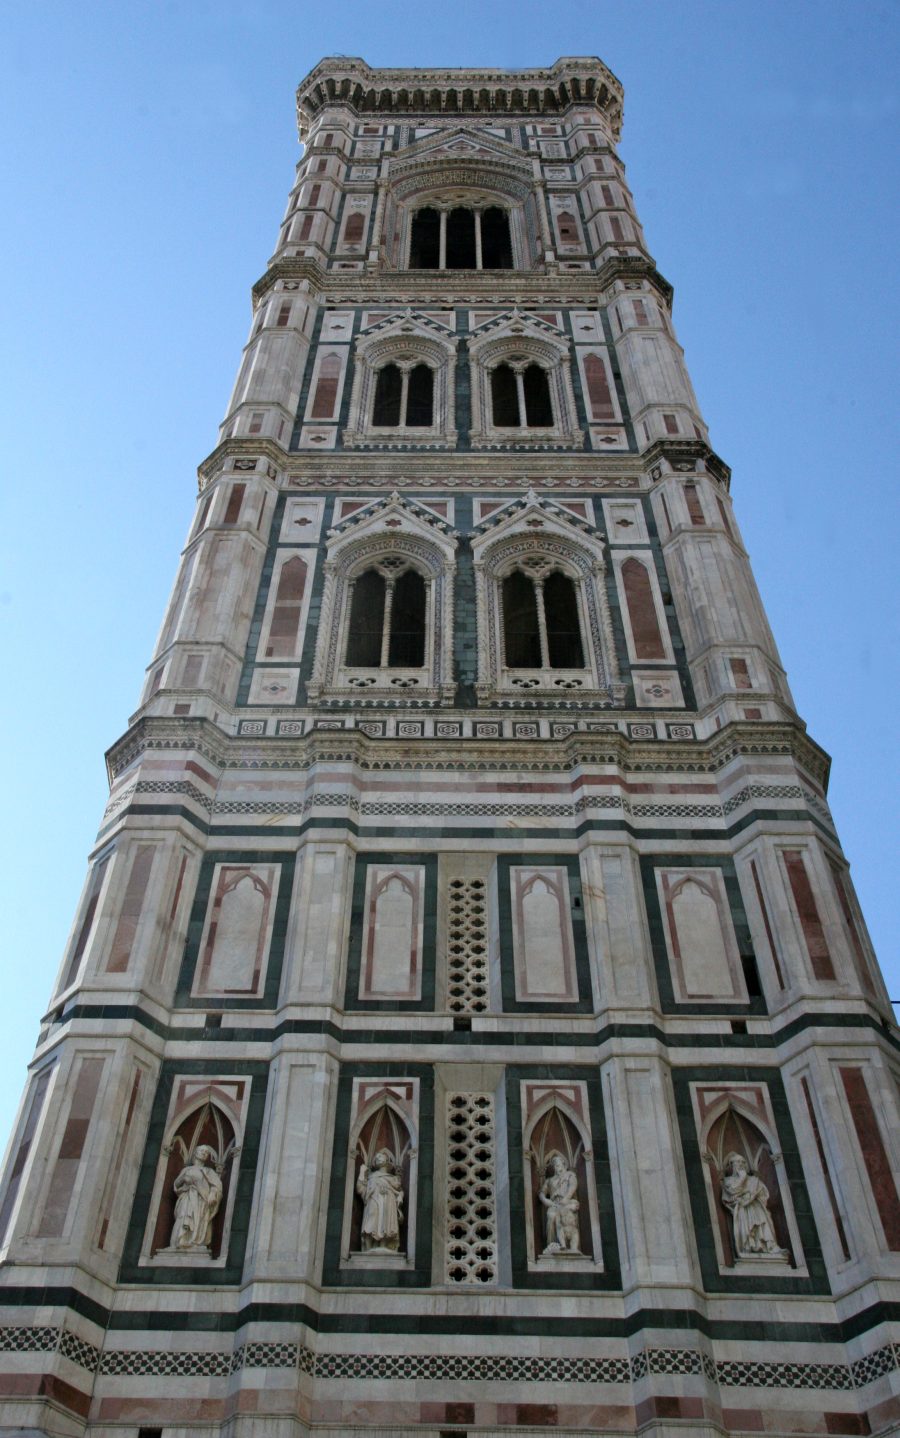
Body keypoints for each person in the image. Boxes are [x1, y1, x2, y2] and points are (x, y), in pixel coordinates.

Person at [721, 1151, 788, 1259]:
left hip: (756, 1207)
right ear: (732, 1165)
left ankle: (771, 1246)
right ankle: (748, 1247)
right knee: (747, 1230)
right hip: (742, 1209)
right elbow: (731, 1192)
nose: (741, 1164)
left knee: (764, 1223)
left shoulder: (753, 1180)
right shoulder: (728, 1180)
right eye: (738, 1162)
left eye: (743, 1162)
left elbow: (764, 1193)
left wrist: (751, 1194)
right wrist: (742, 1179)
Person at [170, 1144, 223, 1251]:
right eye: (202, 1151)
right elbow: (176, 1185)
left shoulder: (209, 1171)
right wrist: (184, 1178)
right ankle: (178, 1243)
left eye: (206, 1152)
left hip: (202, 1201)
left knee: (198, 1220)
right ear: (195, 1152)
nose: (204, 1153)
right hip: (187, 1198)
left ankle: (194, 1243)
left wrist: (213, 1193)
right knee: (183, 1217)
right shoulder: (187, 1170)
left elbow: (217, 1186)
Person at [357, 1147, 404, 1251]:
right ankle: (368, 1249)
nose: (378, 1158)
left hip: (388, 1202)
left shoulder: (393, 1178)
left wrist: (400, 1196)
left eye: (380, 1157)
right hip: (373, 1201)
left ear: (386, 1161)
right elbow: (360, 1189)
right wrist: (362, 1172)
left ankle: (383, 1246)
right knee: (370, 1223)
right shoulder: (371, 1176)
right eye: (377, 1157)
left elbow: (399, 1191)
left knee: (386, 1224)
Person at [538, 1152, 581, 1253]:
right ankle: (553, 1244)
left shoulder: (570, 1175)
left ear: (563, 1164)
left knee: (568, 1217)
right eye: (554, 1166)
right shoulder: (550, 1180)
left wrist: (566, 1198)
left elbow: (573, 1186)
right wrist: (546, 1200)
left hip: (567, 1202)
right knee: (551, 1215)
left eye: (558, 1165)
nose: (556, 1167)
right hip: (555, 1204)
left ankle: (572, 1247)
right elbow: (541, 1193)